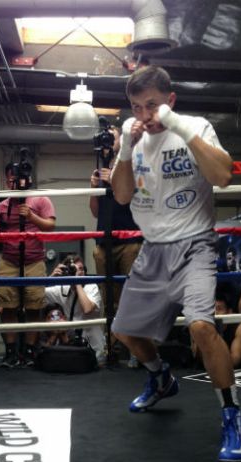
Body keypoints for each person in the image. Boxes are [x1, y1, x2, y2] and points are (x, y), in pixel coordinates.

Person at [110, 66, 241, 462]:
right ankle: (160, 377)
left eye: (152, 105)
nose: (144, 115)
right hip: (152, 249)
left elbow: (223, 176)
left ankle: (233, 416)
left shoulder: (196, 126)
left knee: (203, 326)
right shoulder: (134, 140)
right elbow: (121, 197)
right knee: (123, 332)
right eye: (136, 107)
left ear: (170, 101)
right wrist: (123, 149)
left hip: (196, 245)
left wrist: (176, 126)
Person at [89, 125, 144, 366]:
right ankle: (110, 349)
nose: (108, 142)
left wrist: (112, 178)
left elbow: (131, 196)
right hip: (104, 241)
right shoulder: (99, 169)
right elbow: (94, 211)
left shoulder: (132, 162)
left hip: (130, 239)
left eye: (112, 137)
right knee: (107, 298)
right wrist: (93, 188)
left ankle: (136, 350)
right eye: (105, 138)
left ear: (121, 139)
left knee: (131, 297)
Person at [0, 160, 56, 368]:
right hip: (9, 259)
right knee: (8, 307)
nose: (15, 181)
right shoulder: (3, 205)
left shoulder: (41, 199)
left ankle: (30, 350)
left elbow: (51, 225)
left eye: (18, 177)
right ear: (7, 180)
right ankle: (11, 352)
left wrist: (32, 216)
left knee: (33, 306)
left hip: (34, 259)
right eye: (11, 178)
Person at [44, 255, 104, 364]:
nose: (77, 272)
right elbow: (38, 296)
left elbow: (87, 308)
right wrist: (51, 278)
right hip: (71, 347)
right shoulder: (63, 288)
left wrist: (77, 282)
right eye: (73, 269)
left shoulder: (91, 286)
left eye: (80, 269)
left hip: (92, 348)